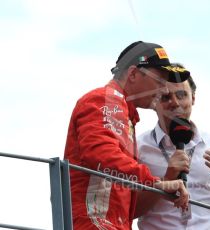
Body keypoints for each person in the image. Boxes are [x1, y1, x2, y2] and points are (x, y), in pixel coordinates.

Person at [64, 42, 191, 230]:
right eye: (160, 81)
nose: (164, 90)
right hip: (94, 224)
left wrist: (156, 187)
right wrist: (154, 182)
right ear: (133, 74)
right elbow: (101, 155)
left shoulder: (123, 111)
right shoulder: (107, 99)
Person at [135, 64, 210, 230]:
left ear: (193, 98)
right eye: (165, 97)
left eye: (182, 95)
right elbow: (128, 209)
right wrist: (166, 180)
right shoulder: (138, 147)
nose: (174, 103)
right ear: (154, 102)